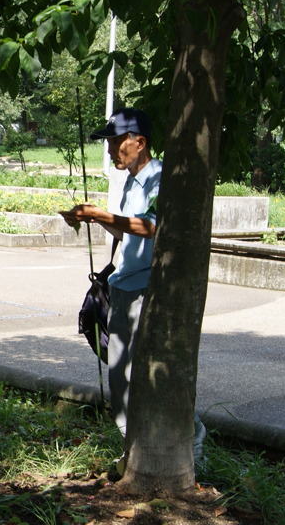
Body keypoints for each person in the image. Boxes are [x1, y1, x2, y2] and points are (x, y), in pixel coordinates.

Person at [58, 108, 205, 467]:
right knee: (119, 376)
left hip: (147, 291)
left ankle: (194, 452)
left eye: (114, 141)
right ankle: (133, 453)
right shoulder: (130, 182)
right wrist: (93, 219)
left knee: (157, 378)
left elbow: (153, 227)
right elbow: (126, 231)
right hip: (122, 288)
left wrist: (99, 214)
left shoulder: (159, 178)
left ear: (138, 142)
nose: (109, 149)